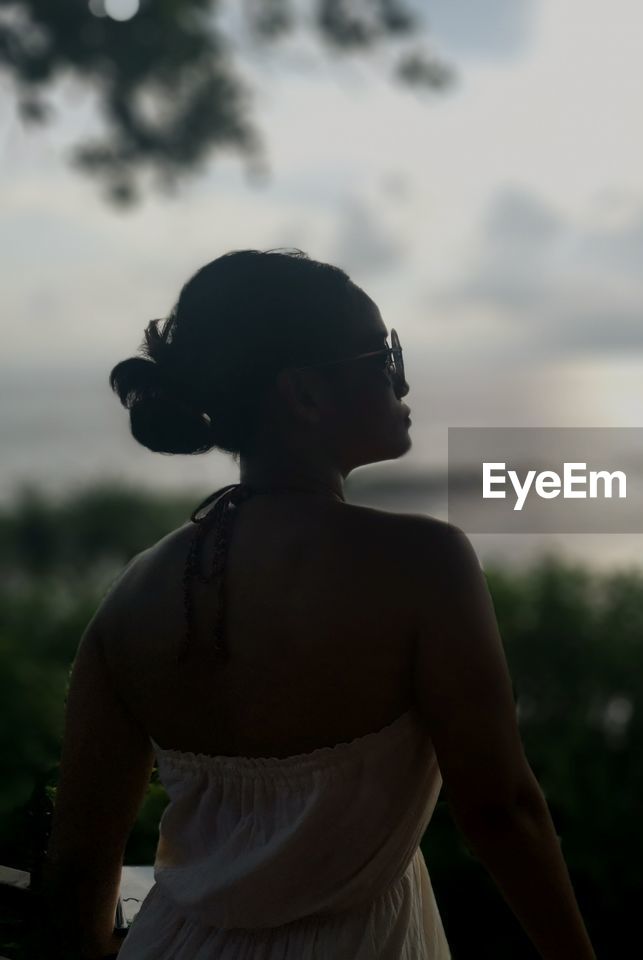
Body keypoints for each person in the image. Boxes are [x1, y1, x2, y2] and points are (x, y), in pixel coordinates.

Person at [35, 248, 598, 960]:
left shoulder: (135, 595)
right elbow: (501, 812)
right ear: (305, 394)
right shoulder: (423, 565)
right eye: (383, 357)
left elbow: (81, 861)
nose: (403, 380)